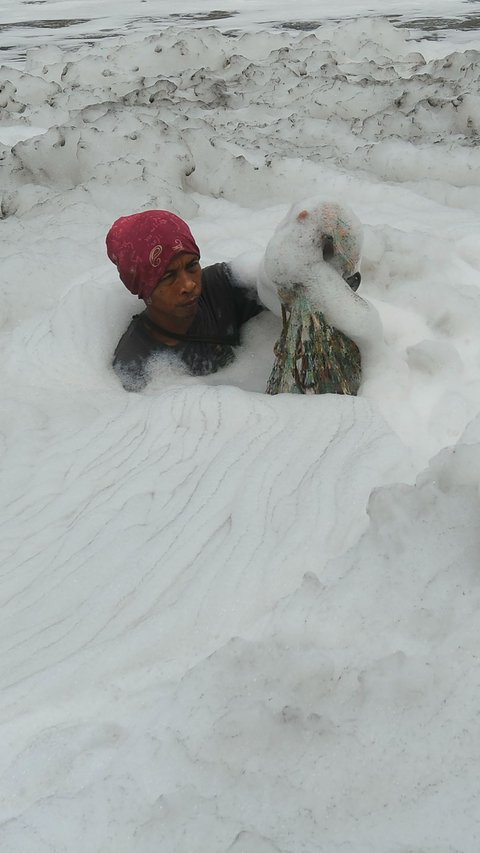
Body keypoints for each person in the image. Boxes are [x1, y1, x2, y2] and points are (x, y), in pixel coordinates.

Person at [106, 209, 264, 391]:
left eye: (192, 266)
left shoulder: (221, 287)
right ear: (143, 288)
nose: (189, 285)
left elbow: (278, 279)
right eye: (168, 276)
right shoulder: (135, 364)